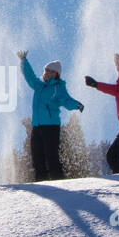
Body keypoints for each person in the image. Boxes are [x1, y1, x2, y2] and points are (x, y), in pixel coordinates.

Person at [17, 51, 84, 181]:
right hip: (37, 126)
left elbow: (66, 100)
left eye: (50, 71)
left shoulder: (58, 87)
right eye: (46, 70)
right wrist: (24, 61)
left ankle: (59, 184)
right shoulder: (39, 85)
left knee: (51, 157)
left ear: (56, 74)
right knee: (37, 159)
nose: (47, 73)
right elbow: (29, 77)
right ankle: (42, 185)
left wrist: (77, 105)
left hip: (51, 127)